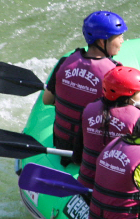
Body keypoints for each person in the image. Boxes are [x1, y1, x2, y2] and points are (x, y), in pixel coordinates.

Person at [42, 11, 127, 157]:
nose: (122, 41)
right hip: (92, 151)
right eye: (118, 37)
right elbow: (126, 118)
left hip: (61, 143)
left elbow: (47, 100)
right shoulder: (115, 73)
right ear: (102, 41)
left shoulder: (66, 62)